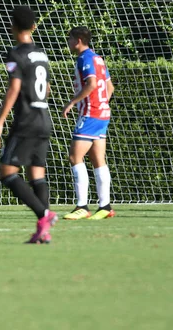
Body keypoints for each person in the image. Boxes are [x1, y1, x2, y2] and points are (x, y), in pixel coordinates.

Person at [0, 6, 57, 244]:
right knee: (36, 174)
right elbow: (47, 89)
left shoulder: (15, 54)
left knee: (7, 173)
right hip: (44, 119)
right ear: (34, 27)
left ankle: (44, 215)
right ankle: (43, 231)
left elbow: (14, 88)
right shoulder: (42, 54)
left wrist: (0, 122)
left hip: (26, 121)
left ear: (13, 27)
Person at [62, 26, 115, 220]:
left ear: (78, 40)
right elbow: (110, 87)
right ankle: (105, 206)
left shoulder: (85, 58)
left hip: (91, 113)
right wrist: (102, 104)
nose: (68, 43)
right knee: (97, 159)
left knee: (75, 157)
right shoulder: (98, 58)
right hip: (102, 113)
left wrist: (72, 102)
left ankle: (82, 206)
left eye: (69, 39)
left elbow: (92, 83)